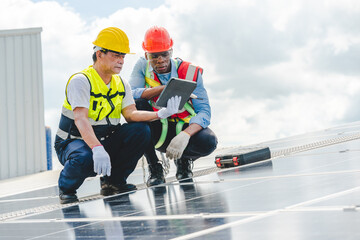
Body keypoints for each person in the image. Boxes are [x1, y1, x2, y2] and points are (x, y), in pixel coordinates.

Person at [54, 27, 181, 204]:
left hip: (105, 139)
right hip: (74, 142)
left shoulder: (121, 83)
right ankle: (67, 188)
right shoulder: (81, 81)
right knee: (84, 157)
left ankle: (113, 182)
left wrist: (160, 114)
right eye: (116, 55)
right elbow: (81, 119)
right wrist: (97, 148)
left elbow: (131, 114)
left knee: (141, 131)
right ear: (99, 54)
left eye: (123, 56)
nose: (121, 61)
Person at [129, 26, 218, 187]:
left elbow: (204, 111)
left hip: (182, 129)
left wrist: (186, 135)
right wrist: (164, 88)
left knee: (209, 141)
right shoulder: (142, 66)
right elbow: (130, 94)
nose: (160, 60)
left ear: (171, 51)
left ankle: (184, 161)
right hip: (155, 129)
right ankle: (155, 167)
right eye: (154, 56)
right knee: (137, 105)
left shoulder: (190, 72)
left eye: (165, 54)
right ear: (146, 55)